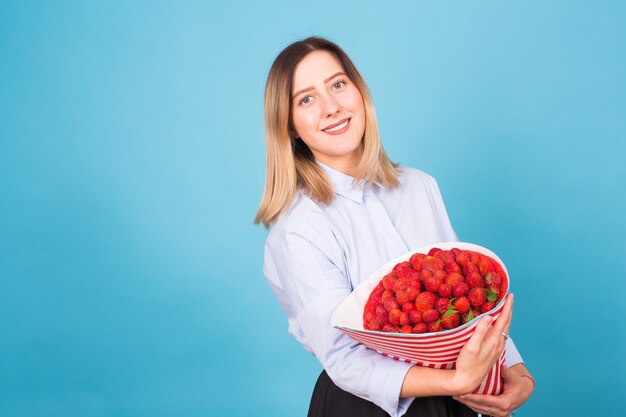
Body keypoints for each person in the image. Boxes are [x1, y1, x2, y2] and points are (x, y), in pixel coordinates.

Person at [255, 37, 534, 417]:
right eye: (306, 99)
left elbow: (472, 298)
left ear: (359, 91)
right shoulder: (299, 228)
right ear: (288, 127)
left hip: (459, 396)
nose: (331, 107)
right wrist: (455, 381)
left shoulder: (420, 186)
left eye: (338, 85)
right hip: (364, 406)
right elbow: (344, 359)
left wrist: (512, 368)